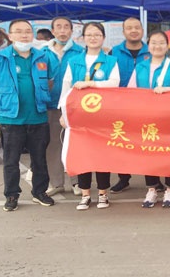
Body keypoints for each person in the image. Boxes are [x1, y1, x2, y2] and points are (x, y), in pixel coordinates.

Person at [0, 19, 55, 212]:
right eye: (19, 31)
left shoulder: (42, 57)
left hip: (38, 117)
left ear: (32, 35)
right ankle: (12, 195)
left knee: (39, 159)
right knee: (11, 161)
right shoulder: (0, 58)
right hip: (11, 119)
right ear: (10, 35)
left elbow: (49, 82)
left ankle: (40, 192)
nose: (24, 35)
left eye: (27, 31)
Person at [60, 22, 120, 211]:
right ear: (83, 38)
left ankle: (103, 194)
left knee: (102, 155)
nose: (93, 38)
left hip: (102, 115)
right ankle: (85, 194)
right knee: (82, 154)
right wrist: (63, 114)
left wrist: (91, 84)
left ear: (103, 38)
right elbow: (66, 87)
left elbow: (115, 83)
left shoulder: (111, 61)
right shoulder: (74, 61)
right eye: (89, 35)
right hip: (79, 116)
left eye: (97, 35)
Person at [127, 30, 170, 208]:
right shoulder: (140, 67)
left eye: (161, 42)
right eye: (153, 42)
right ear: (148, 46)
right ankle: (152, 188)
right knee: (149, 152)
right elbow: (131, 91)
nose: (157, 46)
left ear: (167, 45)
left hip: (169, 117)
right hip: (146, 117)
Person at [41, 17, 84, 197]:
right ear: (52, 30)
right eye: (58, 27)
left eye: (66, 27)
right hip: (51, 104)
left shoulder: (80, 51)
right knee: (53, 145)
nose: (62, 30)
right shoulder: (43, 52)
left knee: (75, 144)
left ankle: (78, 182)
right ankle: (56, 182)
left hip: (74, 106)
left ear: (71, 31)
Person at [109, 17, 151, 194]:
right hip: (121, 105)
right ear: (123, 31)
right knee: (122, 142)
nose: (133, 30)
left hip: (148, 105)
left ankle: (153, 180)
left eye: (137, 27)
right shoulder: (114, 52)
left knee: (149, 141)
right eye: (129, 28)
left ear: (142, 30)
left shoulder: (152, 50)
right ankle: (123, 178)